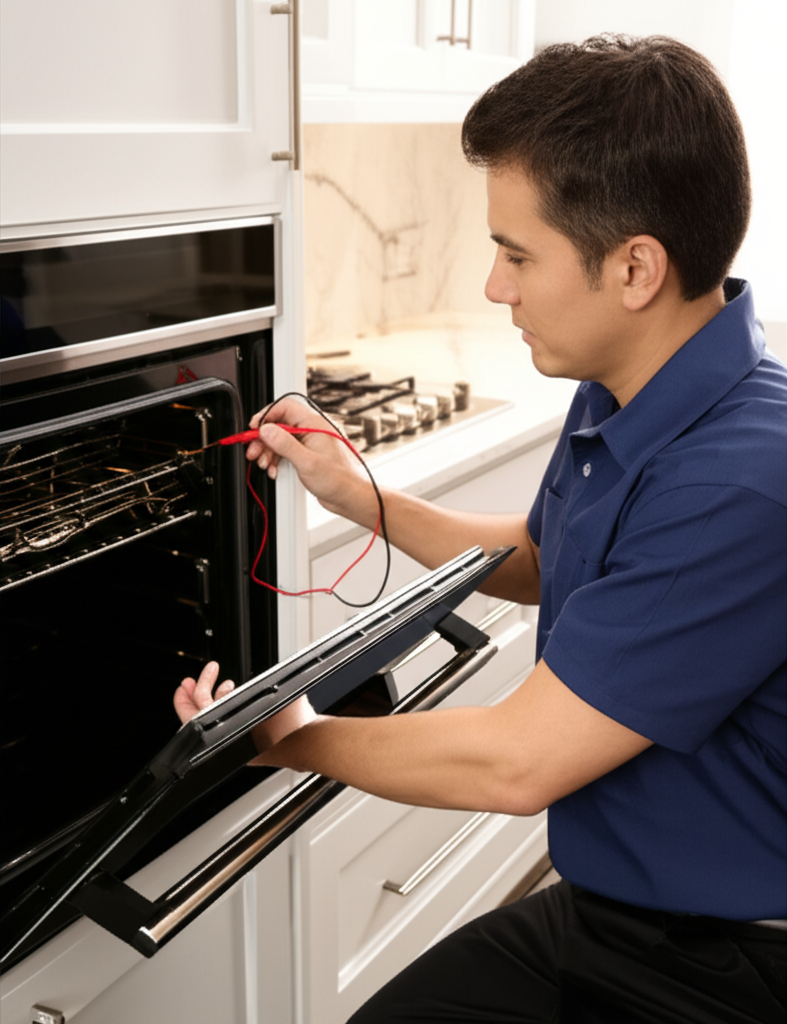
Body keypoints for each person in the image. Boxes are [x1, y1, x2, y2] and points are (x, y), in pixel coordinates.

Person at [174, 35, 786, 1023]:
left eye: (515, 253)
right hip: (621, 911)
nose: (495, 286)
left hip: (733, 962)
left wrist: (293, 737)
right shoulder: (626, 388)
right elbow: (550, 558)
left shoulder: (745, 480)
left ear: (634, 268)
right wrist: (359, 497)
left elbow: (515, 760)